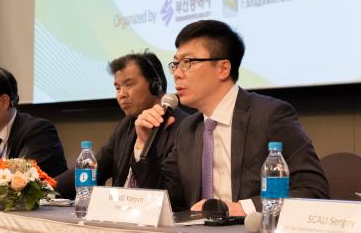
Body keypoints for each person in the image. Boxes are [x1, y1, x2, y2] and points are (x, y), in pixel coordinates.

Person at [133, 20, 329, 214]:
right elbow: (166, 200)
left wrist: (240, 208)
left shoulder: (269, 115)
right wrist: (144, 143)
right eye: (175, 64)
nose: (177, 73)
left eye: (187, 62)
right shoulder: (188, 128)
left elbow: (313, 190)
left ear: (223, 69)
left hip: (251, 231)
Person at [53, 51, 187, 198]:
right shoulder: (125, 126)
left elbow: (172, 193)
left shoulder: (183, 127)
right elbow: (95, 167)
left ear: (156, 85)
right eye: (117, 88)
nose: (121, 94)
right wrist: (47, 188)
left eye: (129, 85)